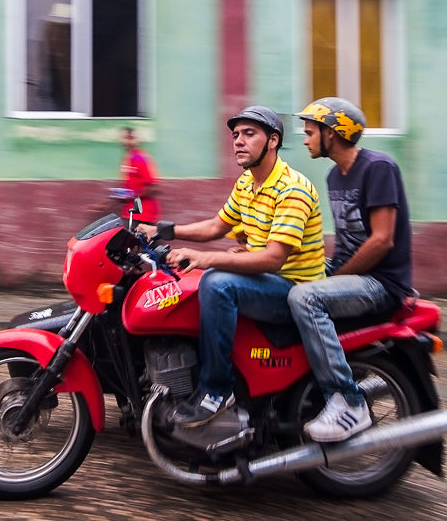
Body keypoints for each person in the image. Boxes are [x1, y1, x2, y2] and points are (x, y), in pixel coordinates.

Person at [160, 106, 325, 427]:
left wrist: (205, 258)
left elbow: (273, 258)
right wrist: (162, 231)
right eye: (236, 135)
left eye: (249, 134)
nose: (238, 141)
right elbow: (215, 227)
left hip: (294, 290)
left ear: (273, 141)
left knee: (217, 283)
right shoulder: (248, 182)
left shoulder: (292, 188)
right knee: (193, 284)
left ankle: (216, 392)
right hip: (267, 280)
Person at [288, 97, 413, 442]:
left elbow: (381, 241)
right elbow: (344, 243)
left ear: (332, 133)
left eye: (310, 132)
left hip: (381, 283)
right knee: (283, 279)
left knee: (306, 299)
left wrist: (334, 277)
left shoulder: (378, 167)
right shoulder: (334, 176)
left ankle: (348, 401)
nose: (305, 139)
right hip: (353, 274)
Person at [95, 127, 161, 223]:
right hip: (130, 212)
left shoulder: (140, 158)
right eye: (125, 138)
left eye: (131, 138)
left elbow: (152, 188)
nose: (128, 142)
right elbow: (128, 190)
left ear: (138, 140)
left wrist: (131, 197)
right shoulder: (127, 159)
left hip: (142, 213)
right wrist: (107, 203)